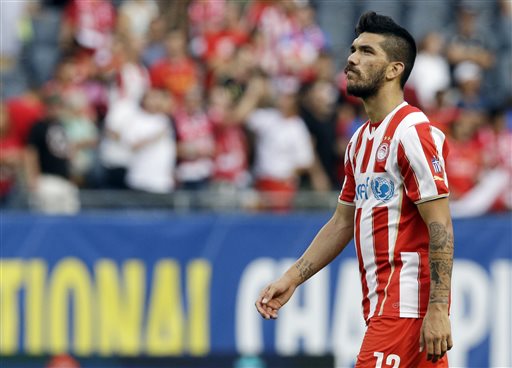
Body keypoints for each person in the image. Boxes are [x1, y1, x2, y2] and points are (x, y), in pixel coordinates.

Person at [255, 12, 454, 367]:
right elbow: (342, 223)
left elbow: (440, 226)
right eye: (352, 50)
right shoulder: (359, 142)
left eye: (366, 51)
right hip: (384, 308)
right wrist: (292, 278)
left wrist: (439, 309)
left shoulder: (412, 133)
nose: (351, 59)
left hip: (405, 308)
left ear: (394, 69)